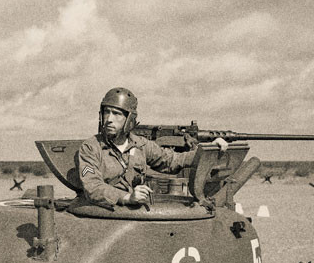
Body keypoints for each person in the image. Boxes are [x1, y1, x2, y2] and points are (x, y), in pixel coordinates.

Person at [77, 87, 228, 207]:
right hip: (106, 213)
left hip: (134, 214)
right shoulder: (91, 148)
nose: (109, 119)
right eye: (106, 113)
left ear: (129, 119)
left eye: (116, 114)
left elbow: (172, 161)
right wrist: (127, 197)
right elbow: (93, 186)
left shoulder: (141, 145)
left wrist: (207, 150)